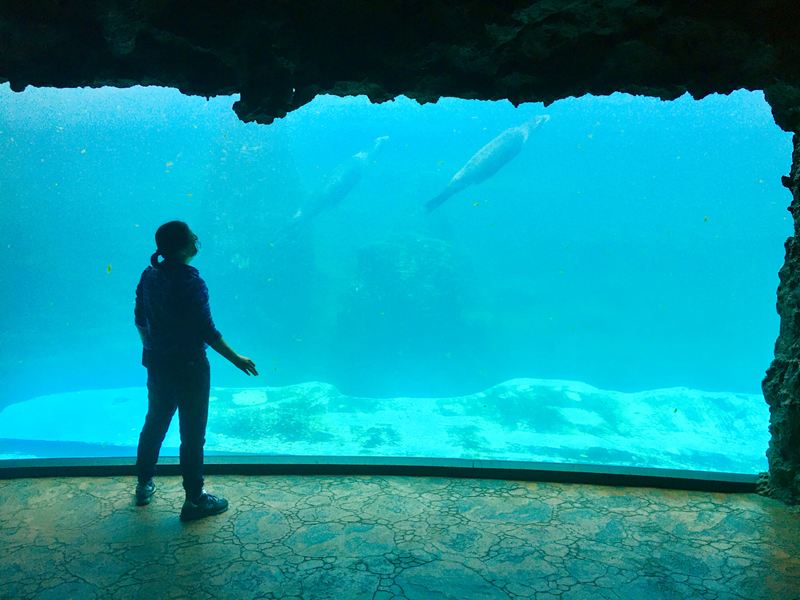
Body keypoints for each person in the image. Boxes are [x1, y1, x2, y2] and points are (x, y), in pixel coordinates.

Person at [133, 220, 258, 521]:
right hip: (189, 366)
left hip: (158, 363)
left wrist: (153, 347)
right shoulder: (191, 281)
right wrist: (236, 358)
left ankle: (143, 484)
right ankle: (194, 499)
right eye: (192, 237)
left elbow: (139, 318)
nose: (196, 239)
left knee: (155, 422)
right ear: (184, 245)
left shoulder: (150, 276)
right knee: (192, 433)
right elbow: (206, 330)